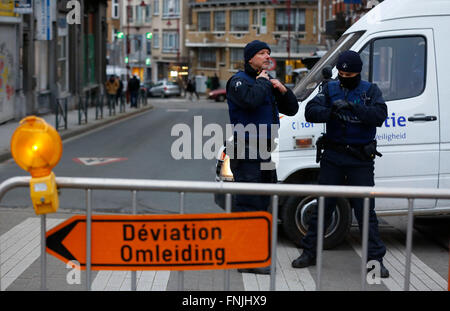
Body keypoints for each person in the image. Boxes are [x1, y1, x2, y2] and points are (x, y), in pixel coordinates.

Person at [291, 50, 389, 279]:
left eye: (349, 73)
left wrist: (353, 108)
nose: (345, 76)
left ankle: (375, 260)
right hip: (333, 158)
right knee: (323, 208)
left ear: (358, 72)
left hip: (359, 160)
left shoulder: (370, 90)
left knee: (365, 212)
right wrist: (330, 111)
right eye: (342, 72)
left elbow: (379, 115)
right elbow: (310, 112)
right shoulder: (330, 88)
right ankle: (309, 252)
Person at [226, 40, 298, 274]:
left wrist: (283, 90)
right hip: (246, 150)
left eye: (268, 53)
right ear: (250, 58)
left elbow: (292, 109)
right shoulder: (239, 81)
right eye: (261, 53)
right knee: (249, 204)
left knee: (264, 203)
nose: (267, 57)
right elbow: (250, 100)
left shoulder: (265, 82)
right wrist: (265, 84)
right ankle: (247, 259)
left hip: (266, 151)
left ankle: (254, 254)